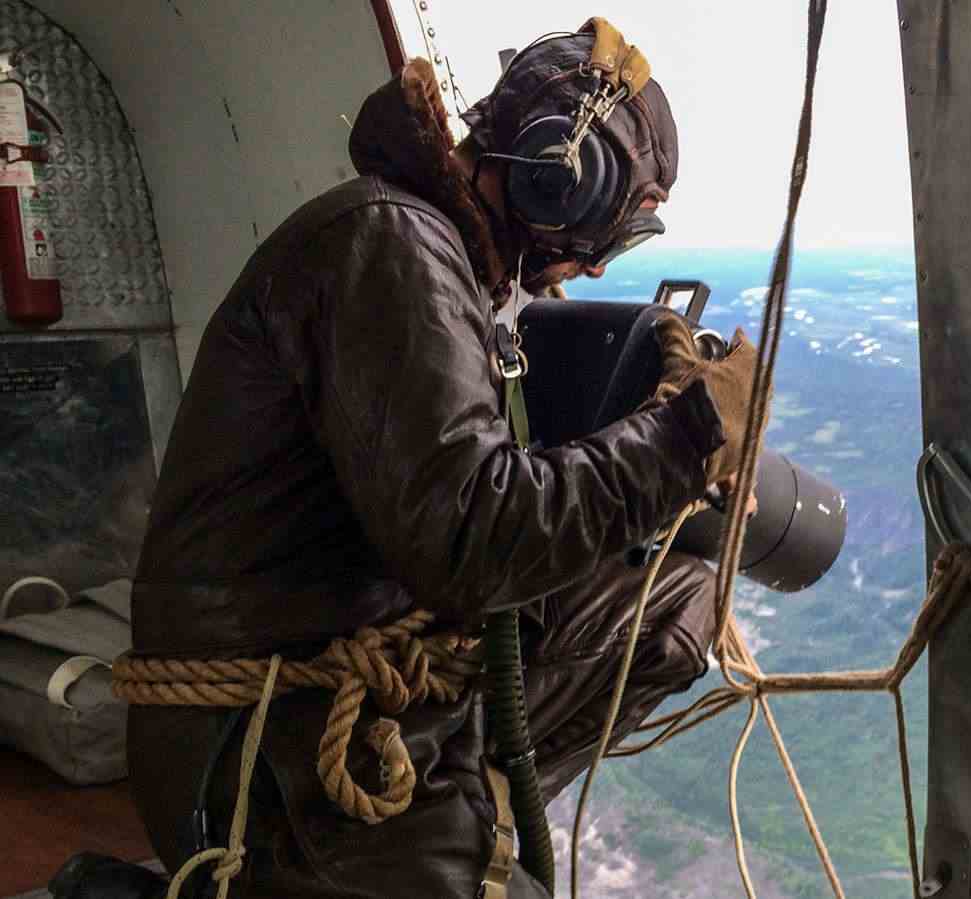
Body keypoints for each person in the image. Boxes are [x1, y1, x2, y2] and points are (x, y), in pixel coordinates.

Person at [120, 19, 759, 899]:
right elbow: (470, 539)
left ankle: (473, 800)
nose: (595, 263)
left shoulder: (444, 261)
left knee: (681, 600)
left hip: (343, 684)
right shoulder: (391, 244)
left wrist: (670, 482)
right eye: (614, 229)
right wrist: (688, 435)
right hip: (260, 752)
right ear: (562, 178)